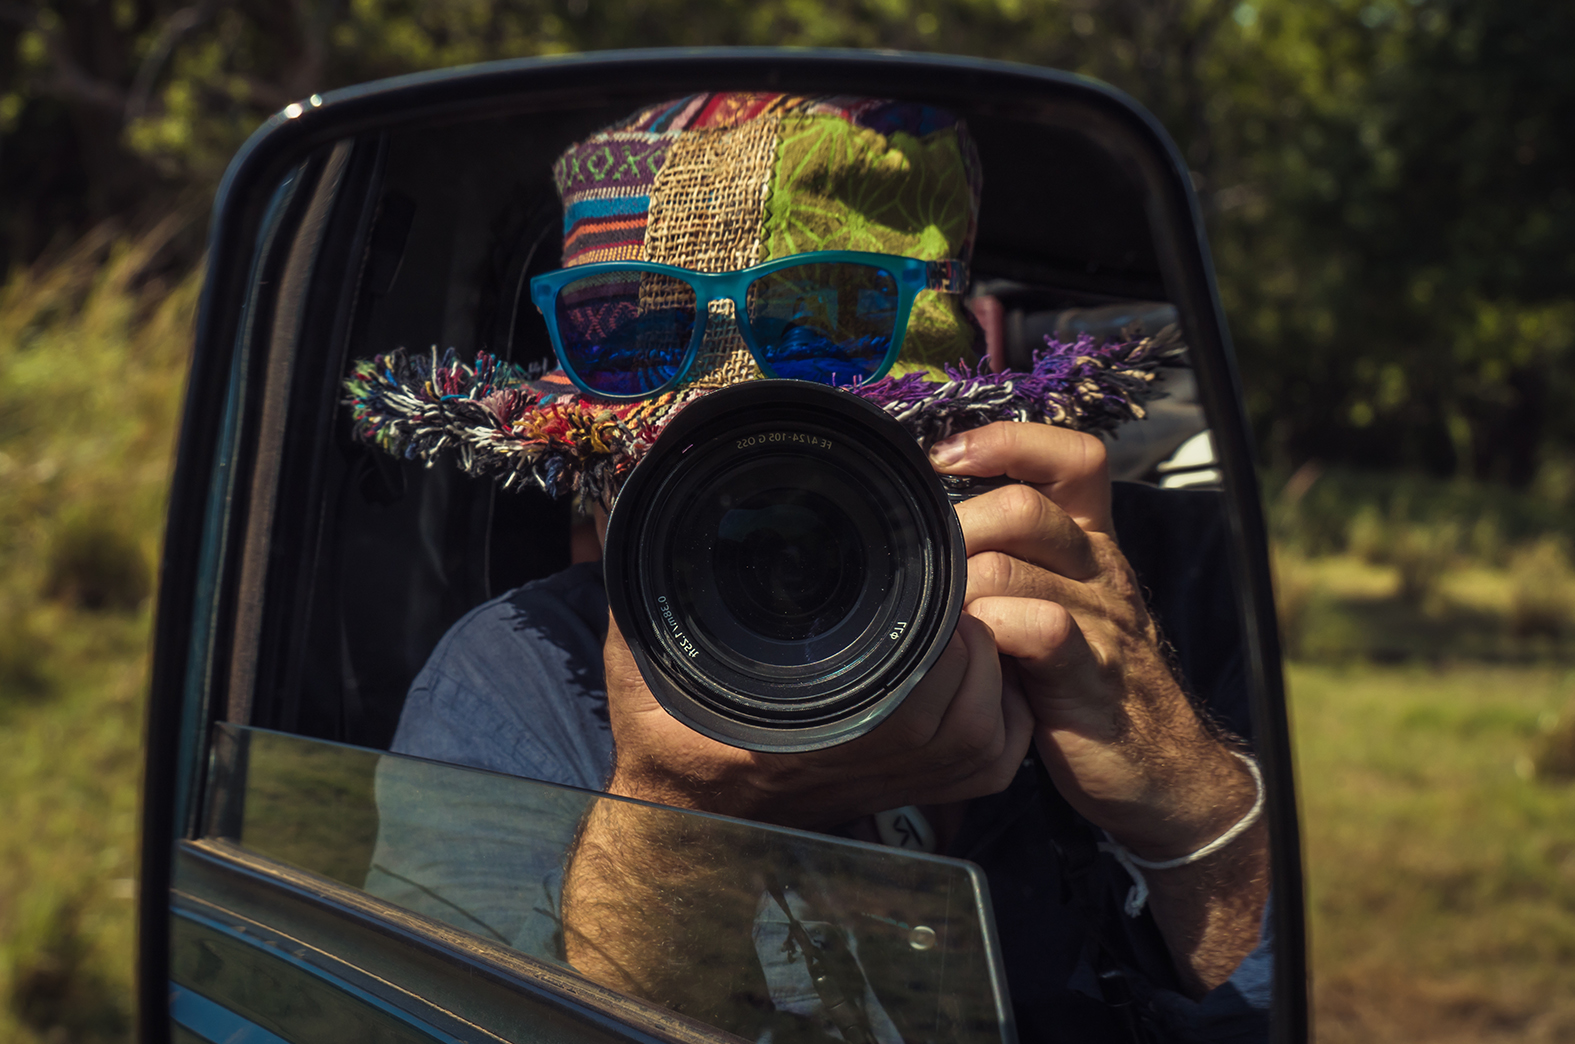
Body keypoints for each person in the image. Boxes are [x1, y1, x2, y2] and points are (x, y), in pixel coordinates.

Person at [359, 92, 1272, 1043]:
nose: (772, 543)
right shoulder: (520, 673)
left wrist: (1177, 783)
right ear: (597, 476)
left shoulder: (1151, 582)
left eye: (827, 323)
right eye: (688, 480)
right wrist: (680, 814)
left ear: (965, 431)